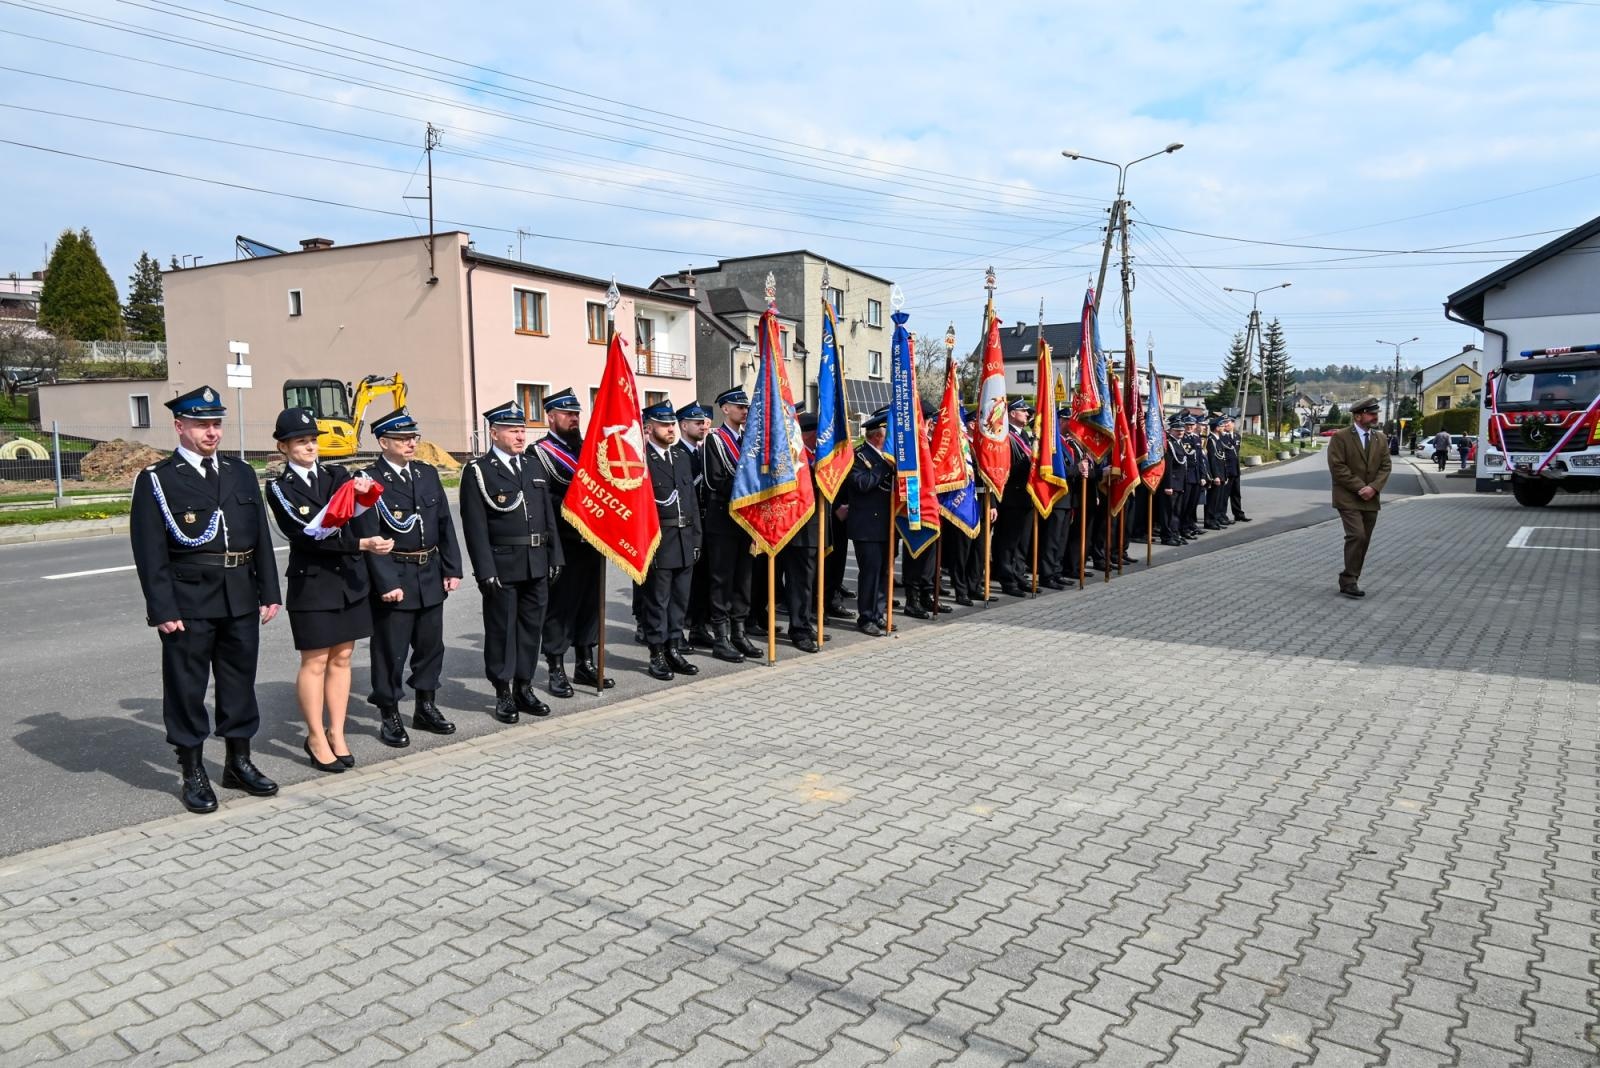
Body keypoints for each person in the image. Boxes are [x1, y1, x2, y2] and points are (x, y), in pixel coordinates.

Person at [130, 385, 282, 813]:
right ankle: (192, 769)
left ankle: (239, 761)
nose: (212, 433)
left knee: (238, 682)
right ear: (180, 427)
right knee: (187, 687)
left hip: (239, 595)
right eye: (202, 425)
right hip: (189, 599)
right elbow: (149, 551)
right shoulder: (158, 480)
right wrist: (162, 608)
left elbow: (261, 540)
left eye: (216, 424)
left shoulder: (240, 473)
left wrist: (268, 590)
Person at [266, 407, 389, 773]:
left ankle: (337, 732)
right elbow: (307, 537)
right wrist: (361, 546)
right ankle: (315, 735)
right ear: (283, 447)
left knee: (343, 658)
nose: (310, 447)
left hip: (347, 580)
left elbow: (356, 515)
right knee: (315, 661)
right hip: (313, 583)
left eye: (313, 440)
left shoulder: (337, 475)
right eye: (301, 441)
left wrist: (365, 495)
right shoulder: (279, 487)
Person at [459, 400, 565, 723]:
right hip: (503, 565)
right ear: (494, 433)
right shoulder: (479, 471)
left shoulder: (532, 467)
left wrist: (555, 555)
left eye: (522, 430)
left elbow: (548, 516)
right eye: (513, 430)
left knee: (531, 629)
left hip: (536, 561)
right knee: (502, 630)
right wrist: (485, 571)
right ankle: (503, 690)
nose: (520, 436)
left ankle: (524, 685)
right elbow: (474, 527)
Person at [360, 407, 461, 747]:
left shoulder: (426, 474)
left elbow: (444, 524)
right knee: (391, 650)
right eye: (402, 438)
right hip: (396, 573)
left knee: (431, 646)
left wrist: (452, 568)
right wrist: (386, 582)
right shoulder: (369, 480)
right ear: (383, 441)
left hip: (429, 572)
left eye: (413, 437)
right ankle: (389, 711)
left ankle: (425, 705)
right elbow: (369, 533)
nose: (411, 443)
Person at [532, 388, 612, 698]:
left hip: (592, 540)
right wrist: (579, 504)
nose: (574, 418)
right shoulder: (539, 453)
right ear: (551, 417)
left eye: (576, 413)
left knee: (591, 604)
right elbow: (543, 498)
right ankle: (556, 667)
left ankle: (585, 662)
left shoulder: (588, 449)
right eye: (567, 414)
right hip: (563, 542)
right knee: (561, 608)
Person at [639, 403, 702, 680]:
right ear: (649, 428)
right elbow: (639, 509)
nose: (671, 429)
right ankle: (657, 653)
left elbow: (690, 501)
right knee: (657, 602)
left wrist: (696, 538)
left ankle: (674, 647)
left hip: (685, 538)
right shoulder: (642, 461)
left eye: (672, 424)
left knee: (679, 600)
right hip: (659, 542)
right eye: (665, 425)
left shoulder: (680, 457)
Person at [702, 387, 759, 662]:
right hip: (723, 520)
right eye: (738, 407)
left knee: (743, 580)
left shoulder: (749, 439)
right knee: (721, 580)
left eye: (745, 407)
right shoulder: (715, 440)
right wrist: (748, 491)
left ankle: (739, 631)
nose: (744, 411)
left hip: (745, 522)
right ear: (725, 409)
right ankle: (721, 637)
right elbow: (715, 481)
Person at [1327, 395, 1391, 599]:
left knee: (1365, 540)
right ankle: (1349, 580)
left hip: (1370, 497)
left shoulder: (1380, 438)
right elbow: (1337, 467)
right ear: (1358, 416)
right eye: (1371, 414)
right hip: (1347, 496)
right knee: (1357, 535)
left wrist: (1373, 487)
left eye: (1376, 413)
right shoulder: (1341, 437)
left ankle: (1350, 578)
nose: (1375, 417)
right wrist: (1360, 487)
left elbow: (1385, 466)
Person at [848, 409, 894, 635]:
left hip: (887, 524)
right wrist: (883, 467)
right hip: (867, 526)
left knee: (885, 571)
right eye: (888, 436)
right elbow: (861, 484)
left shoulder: (889, 458)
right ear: (877, 436)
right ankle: (866, 617)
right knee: (870, 572)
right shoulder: (859, 456)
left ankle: (879, 613)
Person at [675, 401, 715, 649]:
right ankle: (677, 630)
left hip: (705, 524)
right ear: (684, 425)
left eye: (703, 422)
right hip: (685, 524)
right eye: (697, 422)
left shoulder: (703, 451)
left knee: (703, 579)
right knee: (682, 584)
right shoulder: (678, 453)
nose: (703, 426)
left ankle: (699, 627)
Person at [992, 399, 1035, 596]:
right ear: (1011, 413)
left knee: (1022, 541)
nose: (1028, 415)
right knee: (1007, 542)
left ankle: (1018, 575)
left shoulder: (1025, 435)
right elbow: (1004, 468)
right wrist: (1031, 464)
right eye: (1024, 411)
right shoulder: (1005, 437)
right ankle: (1007, 579)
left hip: (1026, 496)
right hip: (1011, 496)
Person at [1222, 416, 1250, 522]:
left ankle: (1238, 514)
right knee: (1224, 495)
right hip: (1227, 471)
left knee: (1236, 494)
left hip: (1236, 470)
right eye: (1224, 423)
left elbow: (1236, 454)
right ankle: (1222, 515)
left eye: (1228, 423)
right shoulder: (1222, 437)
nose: (1226, 425)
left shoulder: (1237, 436)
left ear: (1233, 424)